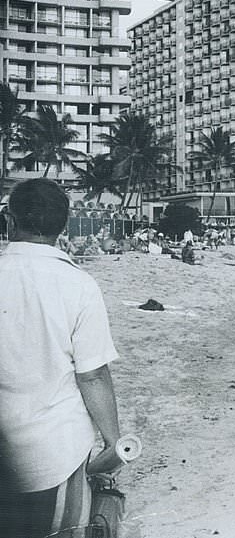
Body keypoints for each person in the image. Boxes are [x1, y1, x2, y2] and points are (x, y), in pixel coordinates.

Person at [0, 179, 123, 537]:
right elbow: (93, 375)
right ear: (64, 225)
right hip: (56, 451)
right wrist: (113, 442)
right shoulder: (79, 285)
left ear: (10, 219)